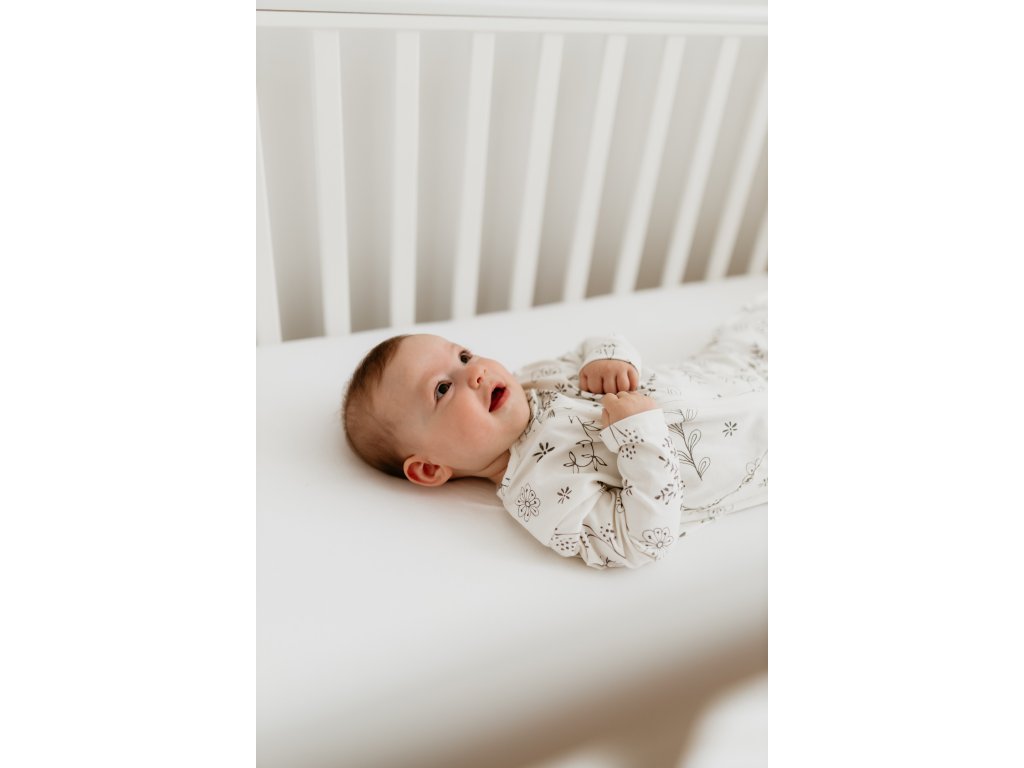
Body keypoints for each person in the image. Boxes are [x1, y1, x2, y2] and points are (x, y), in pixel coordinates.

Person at [342, 293, 767, 569]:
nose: (475, 373)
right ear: (430, 469)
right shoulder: (538, 494)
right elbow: (642, 541)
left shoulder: (533, 378)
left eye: (465, 356)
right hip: (751, 444)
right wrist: (640, 438)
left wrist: (607, 359)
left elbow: (592, 344)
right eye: (441, 389)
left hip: (726, 373)